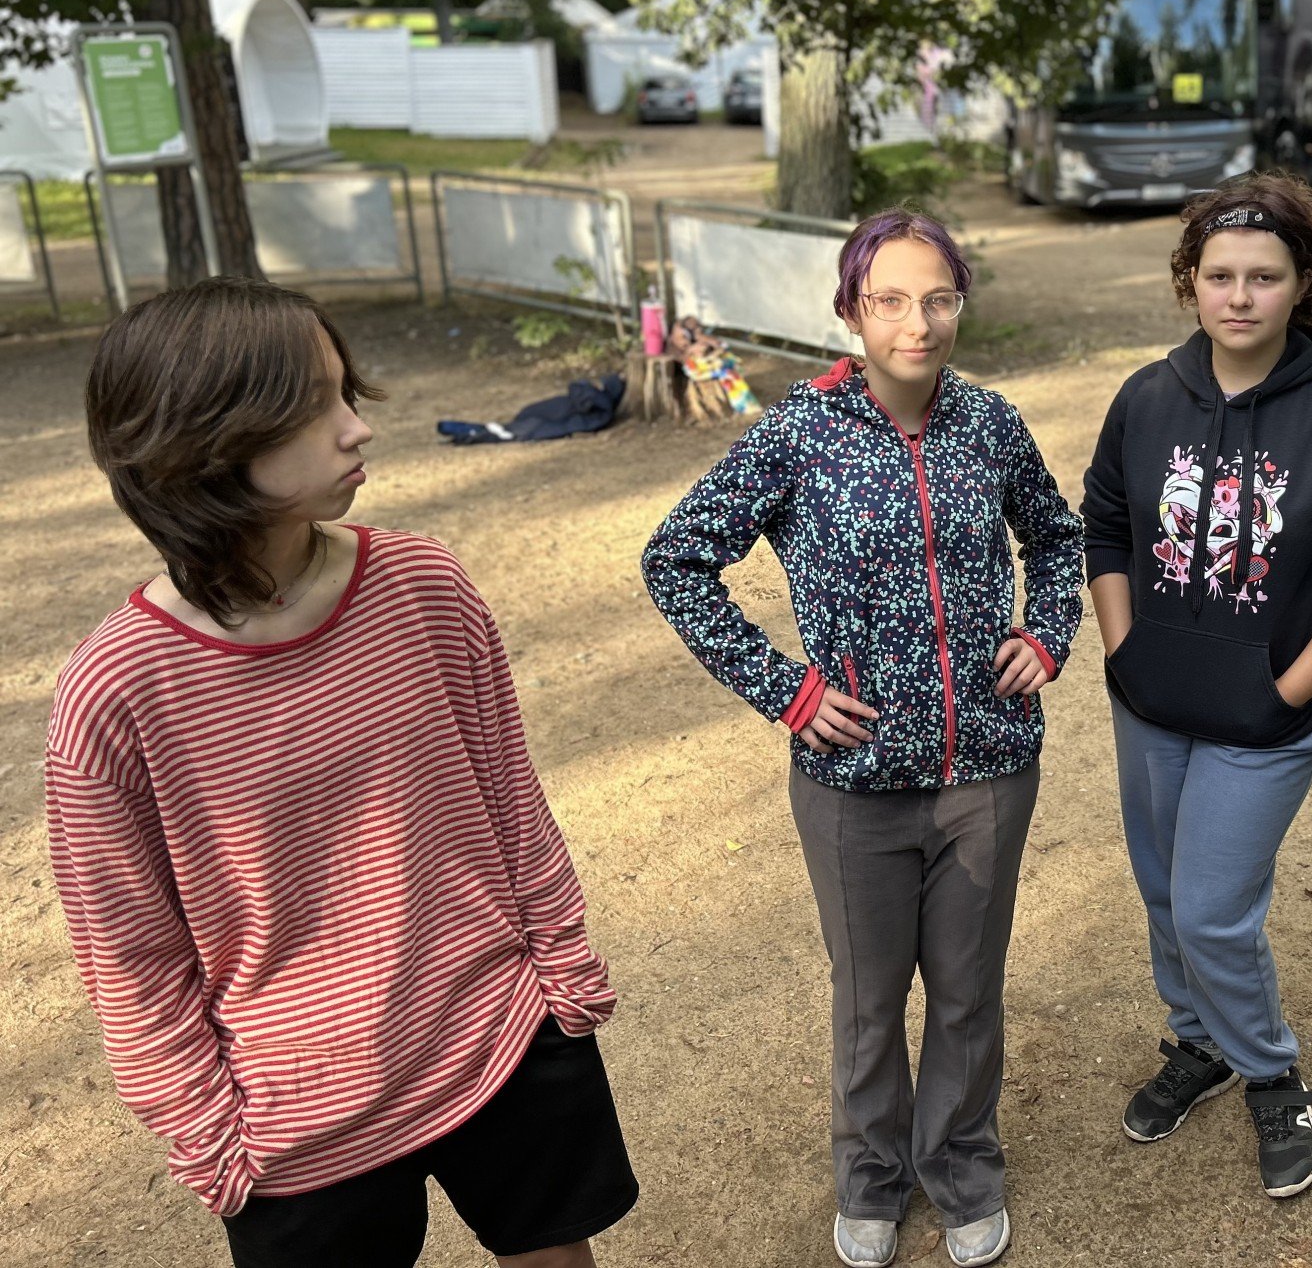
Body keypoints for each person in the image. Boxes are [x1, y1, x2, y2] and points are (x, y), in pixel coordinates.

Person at [47, 279, 634, 1268]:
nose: (358, 428)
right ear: (203, 440)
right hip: (294, 1127)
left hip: (499, 1037)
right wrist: (208, 1136)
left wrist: (562, 978)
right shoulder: (117, 694)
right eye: (313, 407)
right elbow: (131, 954)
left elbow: (508, 798)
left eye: (346, 393)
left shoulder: (424, 585)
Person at [641, 208, 1083, 1268]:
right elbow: (675, 559)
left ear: (959, 306)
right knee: (869, 1003)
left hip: (987, 769)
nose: (915, 324)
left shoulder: (990, 424)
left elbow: (1057, 537)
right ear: (850, 312)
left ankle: (962, 1167)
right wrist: (785, 692)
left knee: (967, 995)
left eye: (937, 299)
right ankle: (871, 1178)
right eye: (888, 300)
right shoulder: (798, 433)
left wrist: (1046, 633)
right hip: (851, 783)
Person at [1080, 173, 1312, 1197]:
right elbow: (1105, 525)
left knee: (1212, 911)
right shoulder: (1145, 398)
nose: (1238, 296)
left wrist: (1286, 690)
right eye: (1218, 274)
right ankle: (1199, 1042)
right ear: (1188, 280)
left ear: (1303, 283)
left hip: (1261, 723)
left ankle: (1268, 1069)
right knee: (1162, 893)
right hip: (1150, 704)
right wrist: (1124, 650)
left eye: (1264, 277)